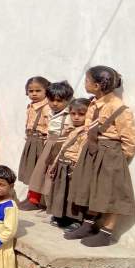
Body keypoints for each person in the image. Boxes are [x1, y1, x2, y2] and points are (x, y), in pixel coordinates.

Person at [66, 66, 135, 247]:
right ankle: (88, 224)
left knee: (111, 193)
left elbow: (129, 139)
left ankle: (106, 232)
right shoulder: (94, 104)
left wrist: (118, 159)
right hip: (92, 149)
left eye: (87, 81)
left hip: (110, 154)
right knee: (91, 188)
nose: (85, 84)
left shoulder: (119, 108)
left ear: (96, 85)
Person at [26, 81, 74, 212]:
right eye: (51, 100)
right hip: (49, 145)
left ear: (68, 99)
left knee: (54, 178)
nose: (55, 104)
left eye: (59, 101)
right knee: (43, 176)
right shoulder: (51, 112)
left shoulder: (69, 114)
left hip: (60, 146)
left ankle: (54, 209)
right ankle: (46, 205)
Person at [46, 98, 89, 228]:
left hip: (73, 166)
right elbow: (63, 148)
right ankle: (61, 216)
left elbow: (82, 152)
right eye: (73, 114)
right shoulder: (70, 129)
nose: (76, 117)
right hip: (62, 164)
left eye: (81, 114)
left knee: (73, 194)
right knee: (60, 192)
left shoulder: (86, 132)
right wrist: (54, 164)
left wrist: (76, 168)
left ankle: (76, 220)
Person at [17, 77, 50, 209]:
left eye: (38, 90)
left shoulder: (47, 108)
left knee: (39, 171)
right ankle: (31, 196)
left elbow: (49, 126)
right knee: (30, 170)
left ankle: (36, 200)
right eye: (31, 91)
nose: (34, 94)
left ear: (46, 91)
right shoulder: (31, 106)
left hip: (40, 142)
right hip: (31, 140)